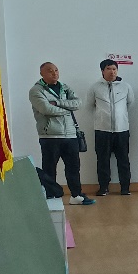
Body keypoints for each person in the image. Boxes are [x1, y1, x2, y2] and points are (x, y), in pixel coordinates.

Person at [29, 62, 93, 205]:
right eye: (50, 71)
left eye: (56, 70)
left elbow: (78, 103)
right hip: (50, 136)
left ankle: (76, 195)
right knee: (49, 168)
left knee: (74, 167)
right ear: (41, 74)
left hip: (70, 134)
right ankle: (51, 195)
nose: (54, 73)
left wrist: (57, 103)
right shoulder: (36, 90)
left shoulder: (65, 87)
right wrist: (67, 109)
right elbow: (46, 109)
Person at [91, 58, 135, 196]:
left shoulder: (125, 86)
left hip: (122, 129)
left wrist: (120, 117)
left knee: (123, 160)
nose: (112, 72)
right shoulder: (95, 87)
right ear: (102, 71)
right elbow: (89, 105)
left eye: (114, 69)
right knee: (102, 160)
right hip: (102, 129)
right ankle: (103, 187)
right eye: (109, 69)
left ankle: (125, 187)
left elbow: (130, 103)